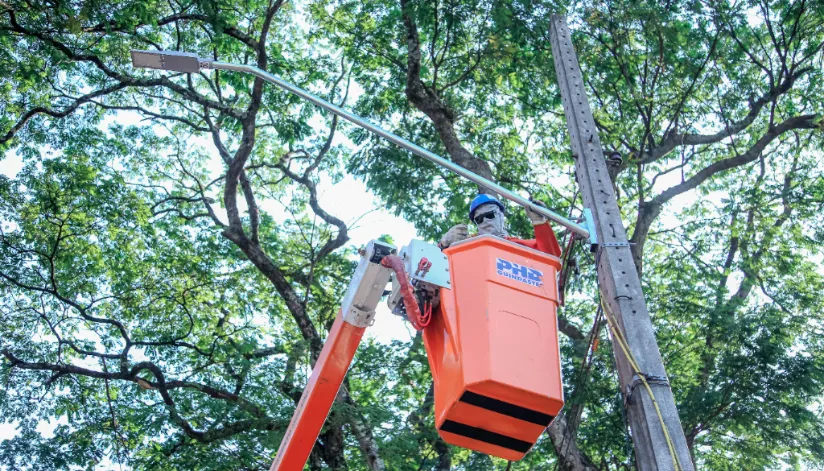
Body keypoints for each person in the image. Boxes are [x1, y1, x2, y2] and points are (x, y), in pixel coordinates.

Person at [438, 194, 562, 257]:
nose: (485, 221)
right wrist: (444, 244)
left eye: (490, 215)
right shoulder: (466, 245)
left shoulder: (518, 245)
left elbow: (551, 256)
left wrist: (539, 222)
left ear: (501, 216)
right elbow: (434, 267)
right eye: (479, 219)